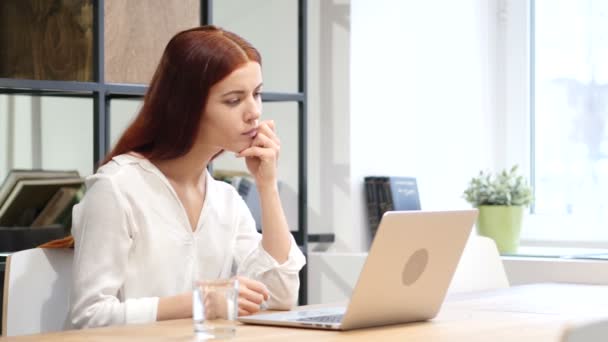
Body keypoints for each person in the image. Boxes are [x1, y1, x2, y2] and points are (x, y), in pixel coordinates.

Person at [69, 25, 306, 329]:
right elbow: (88, 317)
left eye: (257, 94)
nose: (253, 112)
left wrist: (267, 186)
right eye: (234, 100)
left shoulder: (225, 200)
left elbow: (279, 296)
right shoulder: (116, 188)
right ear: (186, 107)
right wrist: (200, 302)